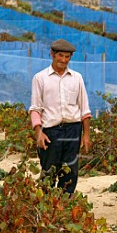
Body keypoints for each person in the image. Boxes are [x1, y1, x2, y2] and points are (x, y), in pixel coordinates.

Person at [29, 38, 91, 194]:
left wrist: (86, 135)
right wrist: (38, 133)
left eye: (67, 57)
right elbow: (35, 108)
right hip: (50, 132)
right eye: (60, 56)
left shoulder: (77, 78)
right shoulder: (40, 78)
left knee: (70, 172)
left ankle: (64, 206)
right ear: (52, 54)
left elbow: (84, 109)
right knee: (49, 171)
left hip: (72, 130)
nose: (63, 60)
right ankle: (48, 208)